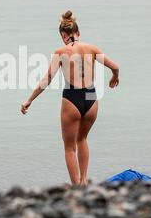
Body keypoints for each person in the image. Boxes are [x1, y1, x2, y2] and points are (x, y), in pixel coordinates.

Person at [21, 10, 119, 186]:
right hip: (91, 97)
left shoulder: (61, 52)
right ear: (78, 33)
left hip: (72, 98)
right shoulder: (92, 49)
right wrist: (114, 76)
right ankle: (84, 180)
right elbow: (115, 66)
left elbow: (47, 80)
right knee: (82, 139)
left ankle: (77, 187)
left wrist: (29, 100)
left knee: (69, 147)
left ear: (63, 35)